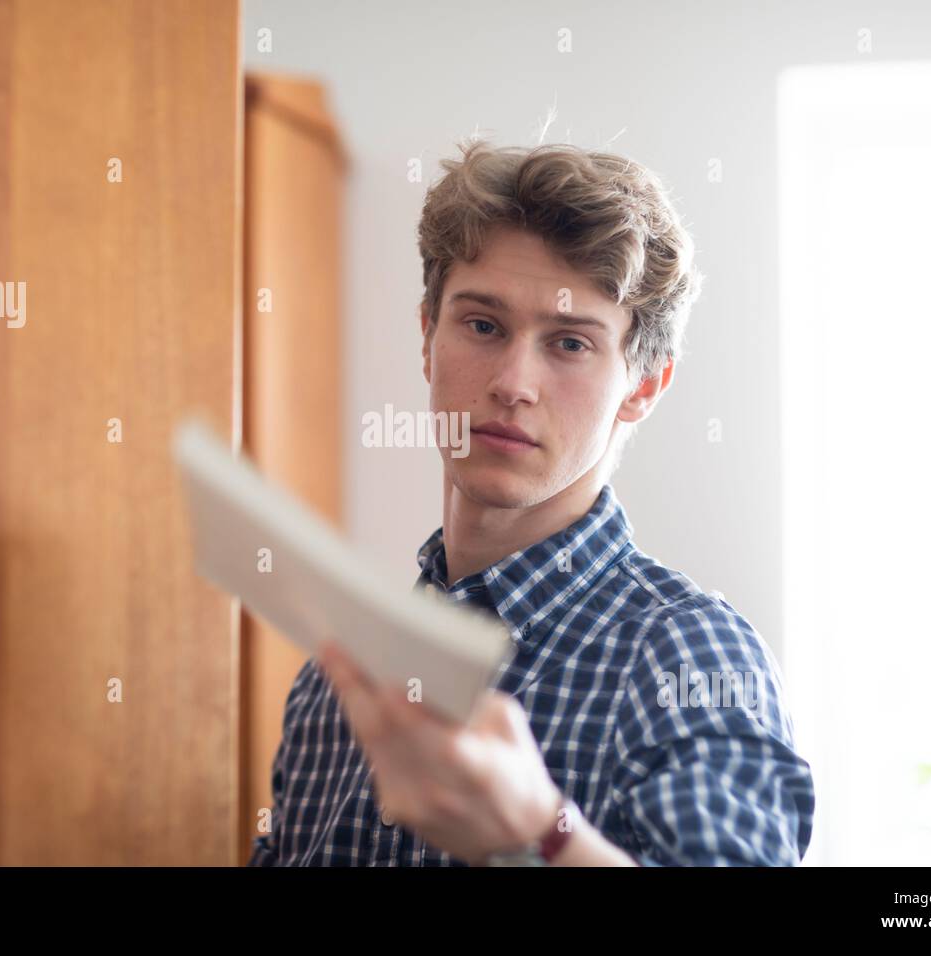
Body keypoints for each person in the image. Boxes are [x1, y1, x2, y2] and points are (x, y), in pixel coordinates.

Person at [249, 140, 814, 866]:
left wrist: (542, 832)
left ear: (643, 387)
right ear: (428, 336)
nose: (514, 382)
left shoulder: (690, 656)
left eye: (570, 344)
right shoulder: (337, 684)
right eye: (483, 326)